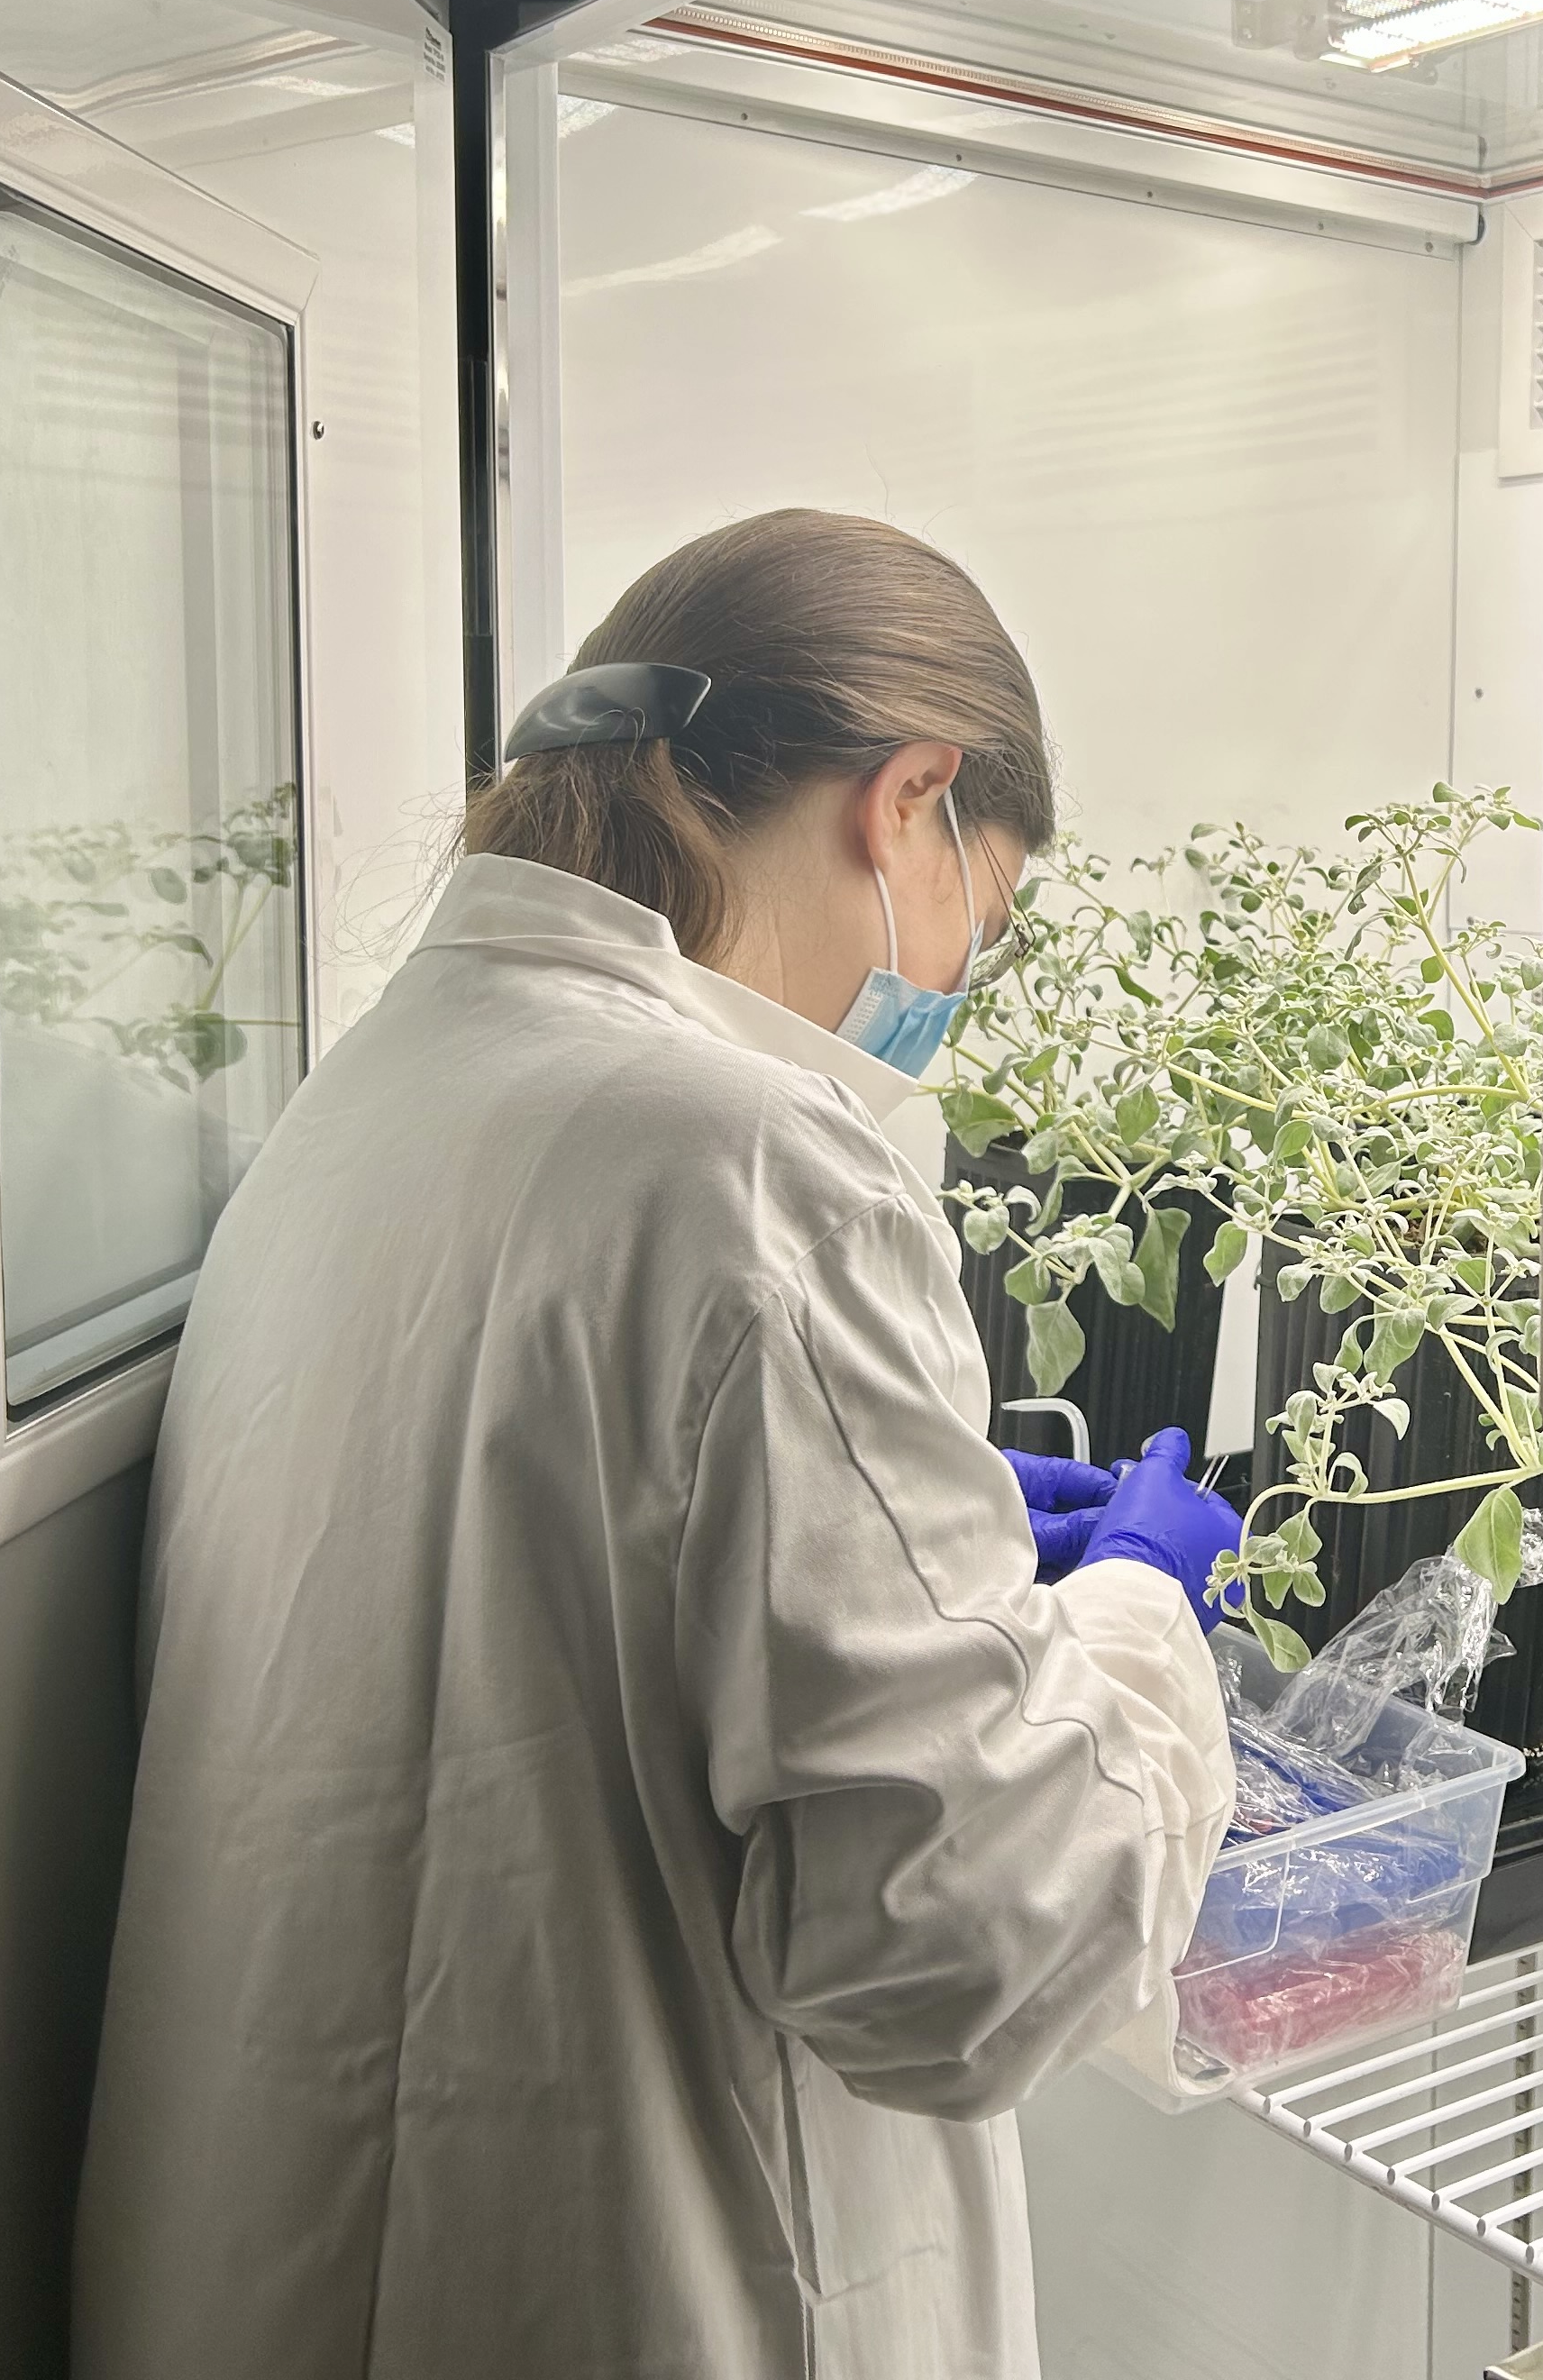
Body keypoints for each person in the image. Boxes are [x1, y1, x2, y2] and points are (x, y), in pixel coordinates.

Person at [71, 509, 1242, 2380]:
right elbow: (964, 1953)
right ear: (908, 801)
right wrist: (1140, 1624)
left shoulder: (376, 1096)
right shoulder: (760, 1167)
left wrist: (917, 1543)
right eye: (982, 921)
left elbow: (535, 1591)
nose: (952, 990)